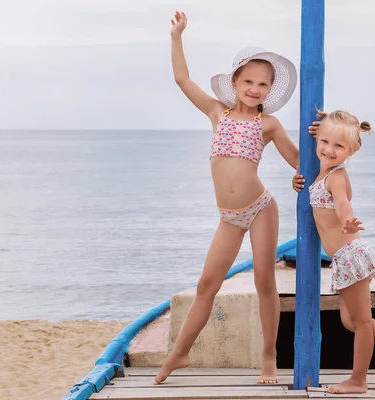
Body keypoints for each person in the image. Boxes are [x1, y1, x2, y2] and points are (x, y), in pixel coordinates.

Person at [154, 11, 299, 385]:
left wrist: (304, 174)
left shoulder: (267, 124)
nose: (255, 88)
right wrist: (177, 36)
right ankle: (180, 353)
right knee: (206, 285)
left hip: (260, 209)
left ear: (270, 90)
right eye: (248, 80)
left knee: (265, 282)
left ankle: (270, 357)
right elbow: (181, 79)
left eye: (263, 84)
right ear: (233, 82)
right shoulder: (216, 112)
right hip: (228, 217)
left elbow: (297, 160)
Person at [292, 110, 375, 394]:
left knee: (361, 323)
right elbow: (318, 187)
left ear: (352, 149)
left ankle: (359, 380)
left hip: (352, 254)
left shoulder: (337, 176)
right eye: (324, 141)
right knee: (350, 321)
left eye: (339, 146)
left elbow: (341, 203)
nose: (329, 149)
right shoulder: (322, 171)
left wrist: (346, 219)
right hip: (345, 258)